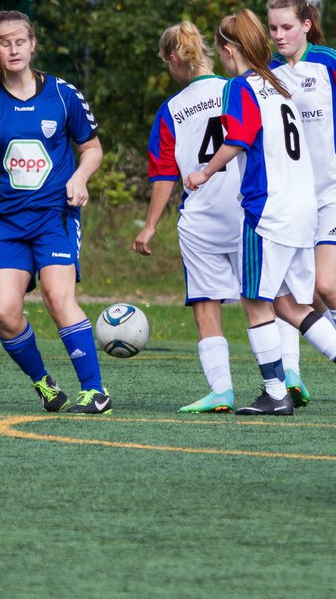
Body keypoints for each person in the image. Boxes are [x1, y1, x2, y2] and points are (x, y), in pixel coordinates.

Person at [186, 9, 336, 415]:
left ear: (228, 50)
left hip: (269, 210)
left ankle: (274, 390)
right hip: (303, 208)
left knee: (255, 301)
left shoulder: (240, 86)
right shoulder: (279, 83)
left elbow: (238, 138)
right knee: (290, 305)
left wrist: (204, 172)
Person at [0, 10, 111, 414]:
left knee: (57, 296)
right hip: (7, 223)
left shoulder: (63, 94)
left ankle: (95, 391)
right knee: (4, 311)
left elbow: (93, 149)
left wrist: (80, 178)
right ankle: (45, 385)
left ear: (32, 45)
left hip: (53, 217)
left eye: (19, 41)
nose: (12, 49)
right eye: (3, 42)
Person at [266, 0, 336, 412]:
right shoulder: (269, 72)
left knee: (326, 285)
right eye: (273, 28)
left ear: (306, 24)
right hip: (294, 200)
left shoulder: (330, 61)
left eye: (287, 27)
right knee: (301, 290)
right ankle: (303, 373)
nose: (279, 35)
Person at [134, 21, 242, 413]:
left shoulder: (172, 110)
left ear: (175, 59)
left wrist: (150, 226)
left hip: (203, 217)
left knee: (206, 304)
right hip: (250, 209)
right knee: (267, 300)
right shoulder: (237, 89)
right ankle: (282, 382)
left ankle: (222, 391)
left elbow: (165, 174)